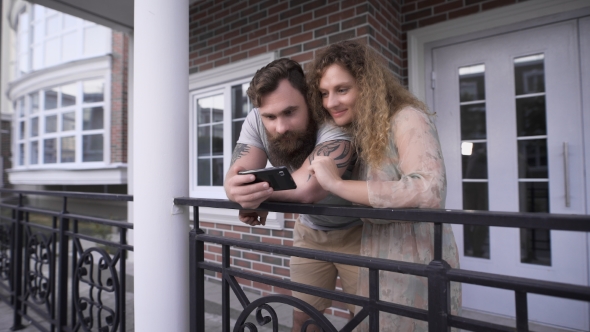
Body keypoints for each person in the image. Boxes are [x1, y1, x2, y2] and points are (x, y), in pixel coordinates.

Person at [307, 41, 461, 331]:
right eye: (324, 93)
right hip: (376, 251)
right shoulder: (363, 130)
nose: (330, 102)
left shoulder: (407, 117)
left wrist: (337, 184)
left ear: (368, 85)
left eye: (342, 89)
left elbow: (429, 189)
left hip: (417, 254)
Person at [224, 58, 362, 331]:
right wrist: (236, 191)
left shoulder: (333, 118)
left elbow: (310, 188)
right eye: (270, 117)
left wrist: (259, 197)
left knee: (364, 319)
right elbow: (236, 175)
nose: (280, 127)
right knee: (304, 316)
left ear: (309, 99)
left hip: (362, 231)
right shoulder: (256, 119)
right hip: (310, 231)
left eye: (290, 112)